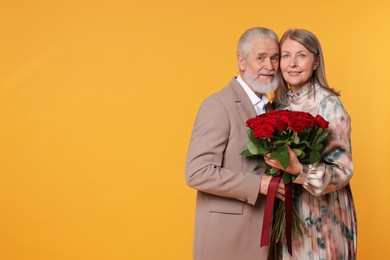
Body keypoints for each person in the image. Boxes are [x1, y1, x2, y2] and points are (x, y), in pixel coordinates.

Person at [185, 27, 285, 260]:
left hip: (265, 235)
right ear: (241, 61)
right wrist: (258, 184)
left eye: (274, 58)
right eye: (260, 58)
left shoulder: (271, 108)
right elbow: (197, 172)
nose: (269, 66)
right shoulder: (218, 105)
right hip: (226, 239)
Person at [265, 29, 357, 259]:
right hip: (284, 215)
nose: (292, 64)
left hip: (321, 219)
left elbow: (343, 171)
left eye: (301, 55)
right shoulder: (276, 105)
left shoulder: (328, 104)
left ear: (316, 61)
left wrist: (301, 171)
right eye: (285, 55)